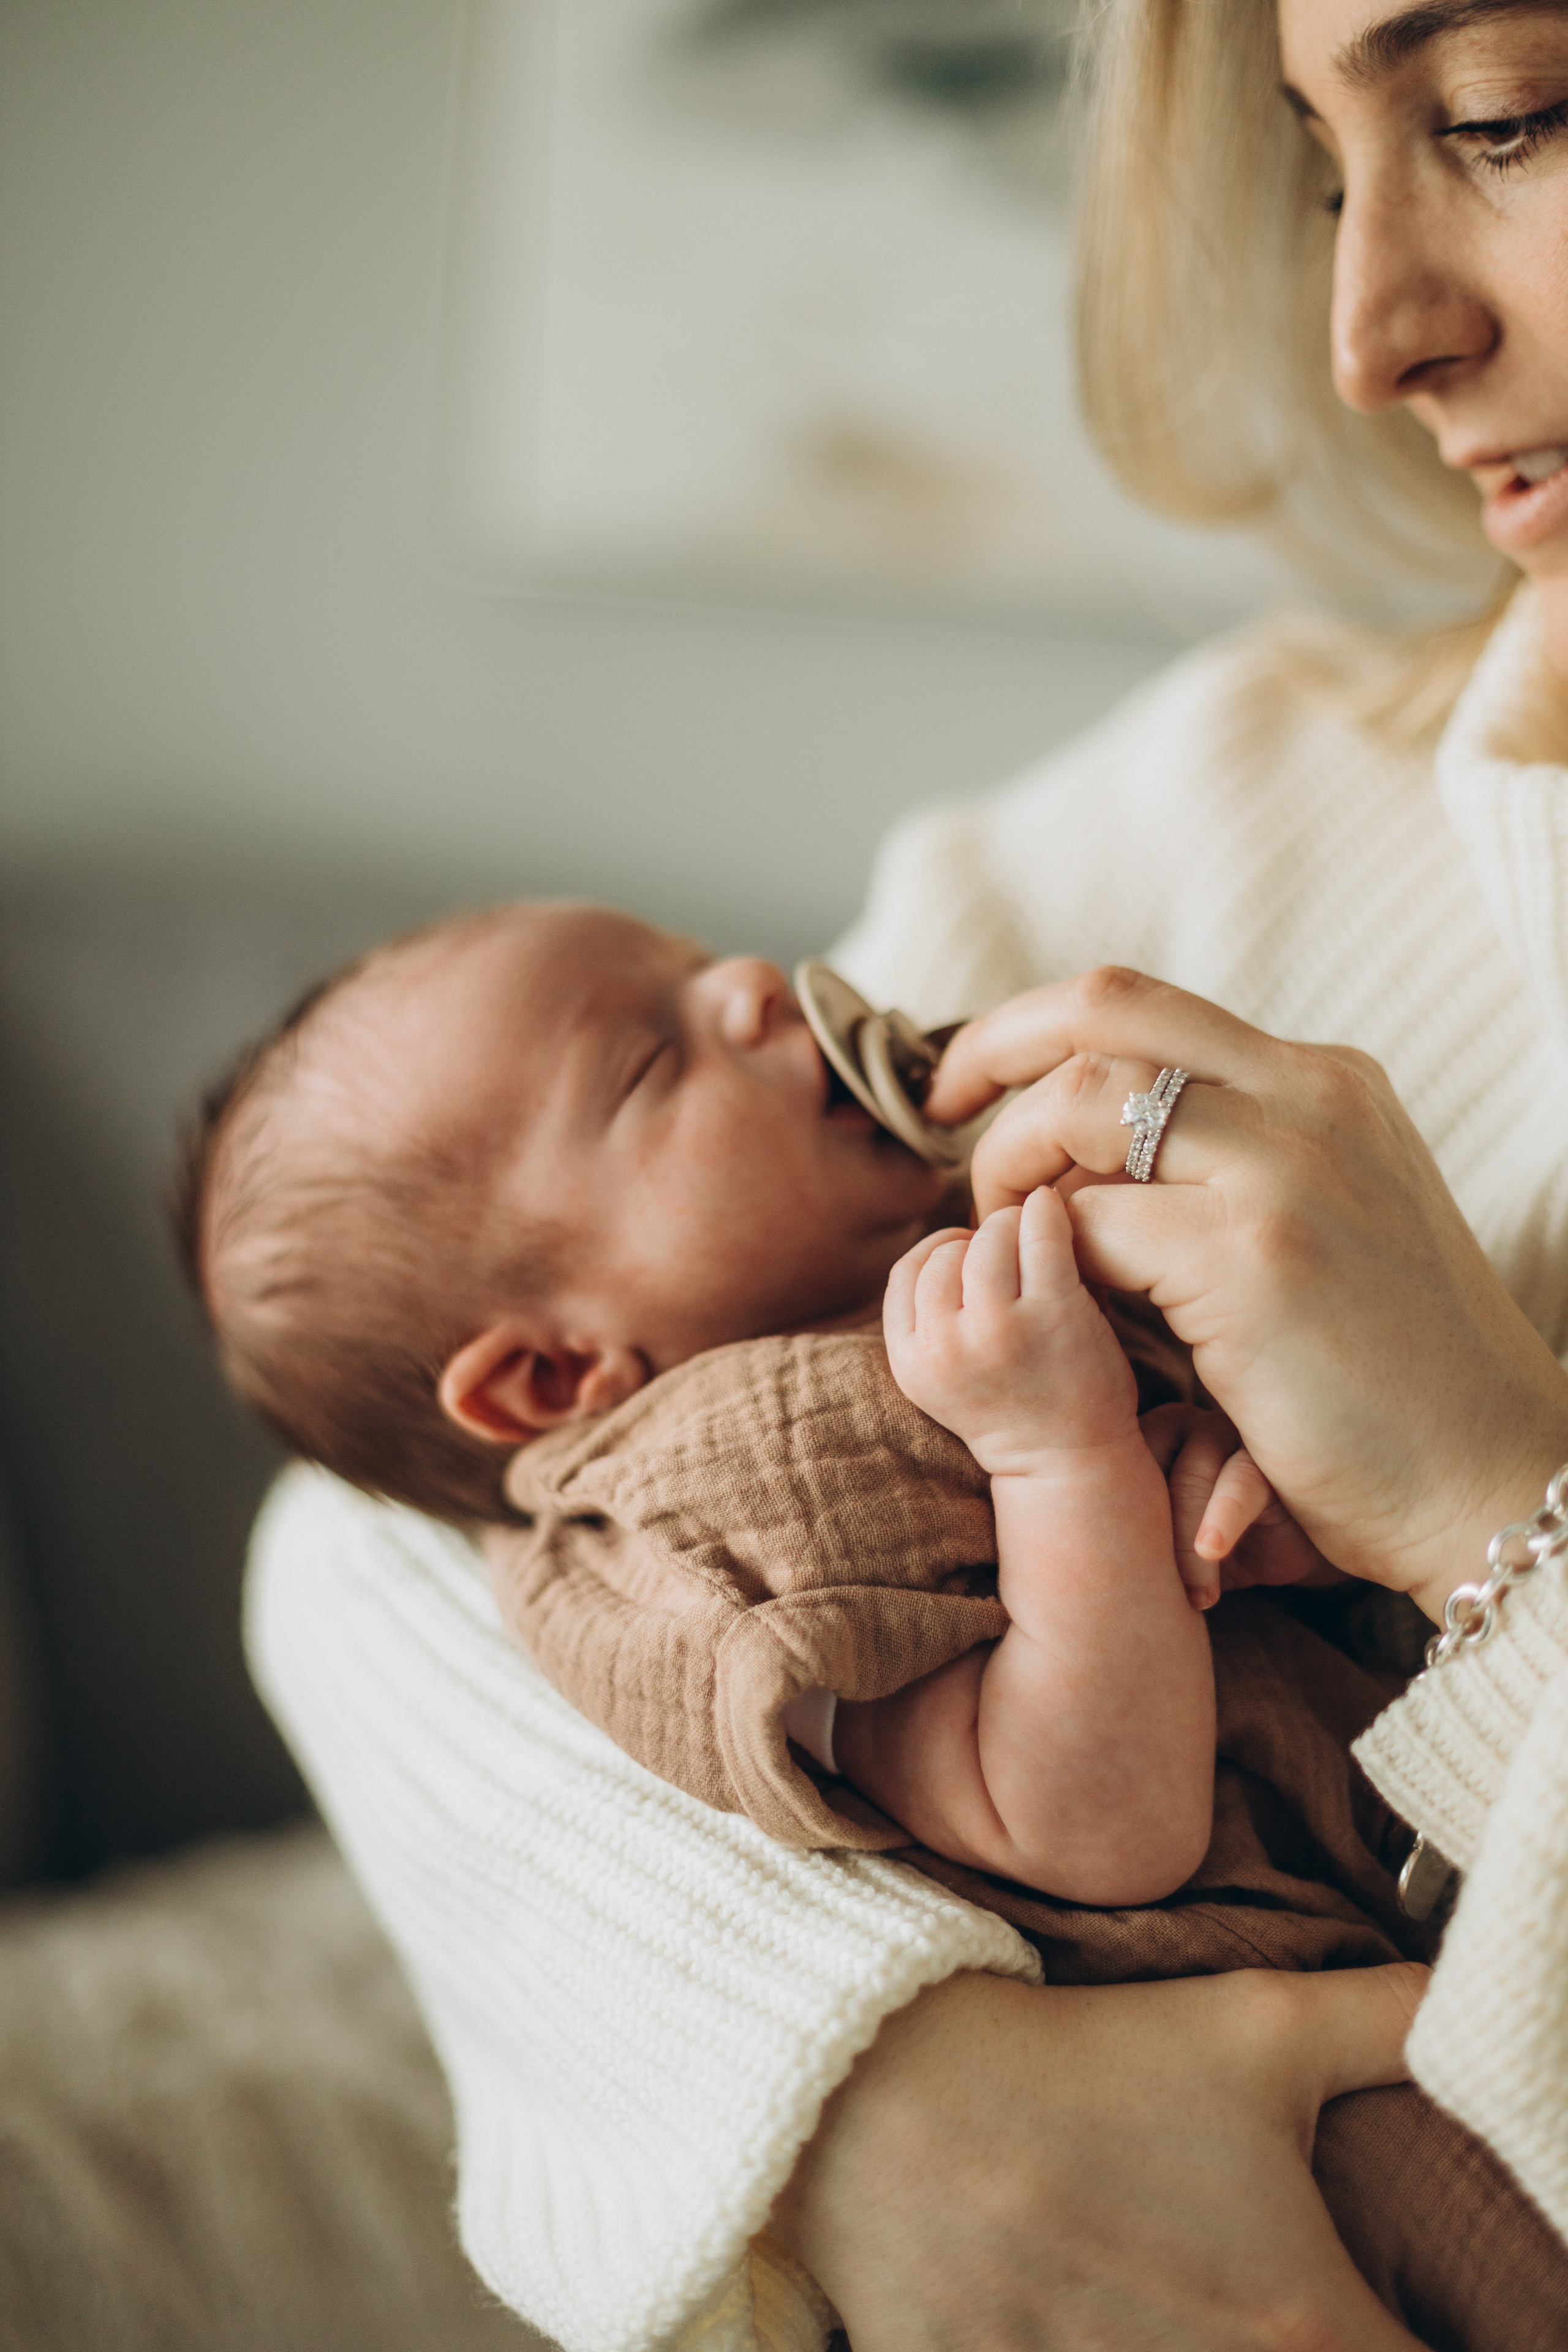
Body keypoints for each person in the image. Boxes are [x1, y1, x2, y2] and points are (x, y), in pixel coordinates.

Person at [244, 0, 1568, 2344]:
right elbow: (372, 1532)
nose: (1373, 331)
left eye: (1505, 118)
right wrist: (892, 2105)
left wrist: (1494, 1506)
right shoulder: (1251, 785)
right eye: (1316, 165)